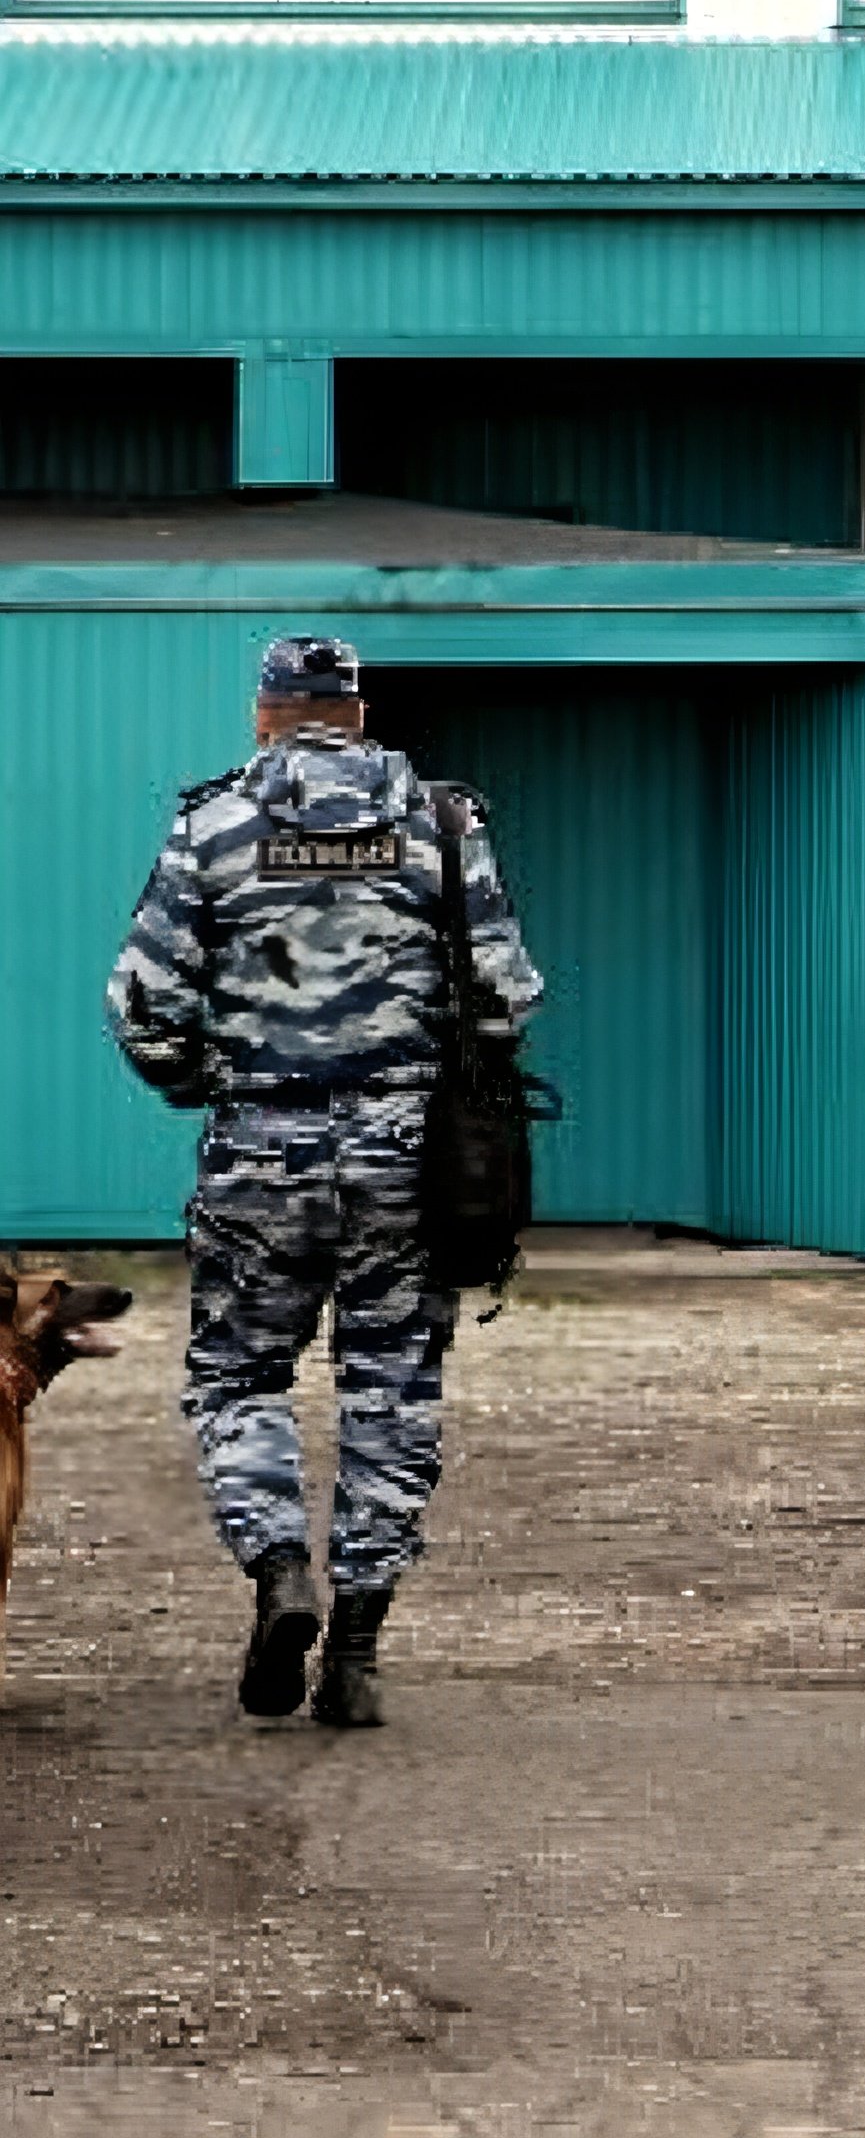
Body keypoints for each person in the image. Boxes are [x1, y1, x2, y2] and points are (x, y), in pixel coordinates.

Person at [106, 636, 541, 1728]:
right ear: (357, 713)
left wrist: (211, 1081)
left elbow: (143, 1006)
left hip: (261, 1149)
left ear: (267, 715)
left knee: (239, 1380)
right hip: (409, 1162)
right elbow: (508, 996)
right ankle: (356, 1647)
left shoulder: (212, 825)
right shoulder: (445, 825)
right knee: (391, 1392)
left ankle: (276, 1567)